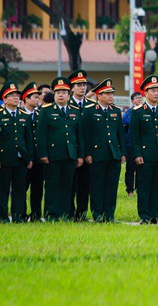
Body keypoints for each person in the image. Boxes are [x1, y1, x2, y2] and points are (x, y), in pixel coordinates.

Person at [36, 77, 84, 221]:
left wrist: (80, 155)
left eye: (64, 92)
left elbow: (79, 135)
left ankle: (65, 214)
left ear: (69, 95)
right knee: (52, 185)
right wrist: (43, 154)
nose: (61, 95)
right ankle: (51, 214)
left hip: (70, 154)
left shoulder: (75, 111)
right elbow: (41, 134)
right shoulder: (47, 110)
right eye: (58, 92)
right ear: (54, 94)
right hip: (53, 155)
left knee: (67, 186)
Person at [80, 79, 126, 222]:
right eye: (107, 93)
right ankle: (98, 214)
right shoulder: (89, 111)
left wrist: (122, 153)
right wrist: (87, 153)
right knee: (97, 186)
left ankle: (109, 215)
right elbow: (85, 134)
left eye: (112, 93)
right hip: (96, 154)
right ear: (98, 96)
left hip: (113, 154)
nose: (110, 96)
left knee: (111, 187)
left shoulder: (116, 111)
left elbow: (120, 134)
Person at [129, 75, 158, 224]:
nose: (156, 93)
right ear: (145, 93)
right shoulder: (138, 111)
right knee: (144, 185)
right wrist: (137, 154)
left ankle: (156, 214)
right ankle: (144, 215)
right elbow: (134, 136)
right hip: (145, 154)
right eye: (152, 90)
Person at [0, 82, 33, 223]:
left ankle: (18, 216)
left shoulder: (24, 116)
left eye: (17, 95)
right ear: (5, 99)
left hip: (21, 159)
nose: (15, 97)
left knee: (19, 190)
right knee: (3, 190)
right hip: (5, 158)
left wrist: (30, 157)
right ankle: (2, 217)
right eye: (11, 95)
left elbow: (29, 139)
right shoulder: (1, 115)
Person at [68, 69, 94, 221]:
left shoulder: (91, 105)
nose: (82, 87)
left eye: (84, 84)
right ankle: (70, 212)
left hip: (88, 152)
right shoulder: (67, 104)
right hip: (71, 151)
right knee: (70, 185)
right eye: (78, 85)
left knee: (84, 186)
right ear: (71, 88)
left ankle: (82, 213)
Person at [21, 82, 42, 222]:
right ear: (26, 99)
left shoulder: (41, 114)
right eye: (34, 97)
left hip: (39, 158)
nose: (38, 99)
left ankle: (36, 214)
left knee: (38, 188)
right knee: (22, 188)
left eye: (38, 97)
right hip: (24, 158)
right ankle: (21, 213)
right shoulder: (20, 115)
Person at [123, 92, 143, 196]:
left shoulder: (145, 111)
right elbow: (125, 121)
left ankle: (139, 189)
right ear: (132, 101)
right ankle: (130, 190)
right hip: (131, 144)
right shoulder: (130, 112)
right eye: (137, 98)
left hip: (142, 144)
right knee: (130, 168)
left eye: (141, 97)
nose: (140, 99)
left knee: (141, 169)